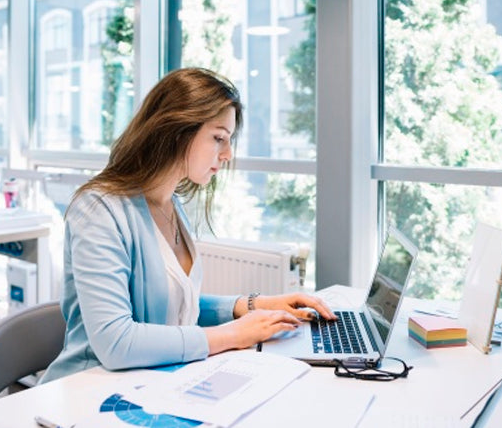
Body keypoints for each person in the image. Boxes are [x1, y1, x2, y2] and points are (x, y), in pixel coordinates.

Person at [42, 67, 334, 382]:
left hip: (148, 384)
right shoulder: (99, 210)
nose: (227, 154)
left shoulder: (172, 205)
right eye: (219, 138)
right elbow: (116, 342)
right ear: (176, 130)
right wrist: (233, 334)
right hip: (85, 392)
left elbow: (172, 306)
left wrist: (251, 306)